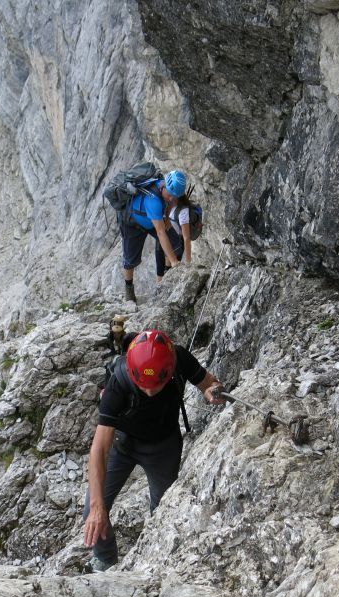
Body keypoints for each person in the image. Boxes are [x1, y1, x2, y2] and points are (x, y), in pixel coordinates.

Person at [82, 330, 224, 572]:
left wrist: (213, 391)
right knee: (91, 508)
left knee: (163, 514)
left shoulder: (178, 358)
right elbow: (100, 448)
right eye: (143, 386)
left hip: (163, 448)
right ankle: (105, 559)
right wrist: (97, 508)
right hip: (123, 445)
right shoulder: (118, 382)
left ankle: (152, 559)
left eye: (155, 386)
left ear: (169, 371)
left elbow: (209, 383)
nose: (149, 391)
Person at [119, 170, 189, 302]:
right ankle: (129, 291)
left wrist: (167, 218)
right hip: (132, 223)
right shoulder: (153, 201)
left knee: (175, 245)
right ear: (165, 187)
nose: (171, 199)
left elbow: (169, 202)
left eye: (174, 197)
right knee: (130, 259)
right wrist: (175, 262)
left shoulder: (167, 190)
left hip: (150, 218)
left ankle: (167, 279)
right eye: (170, 195)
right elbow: (160, 232)